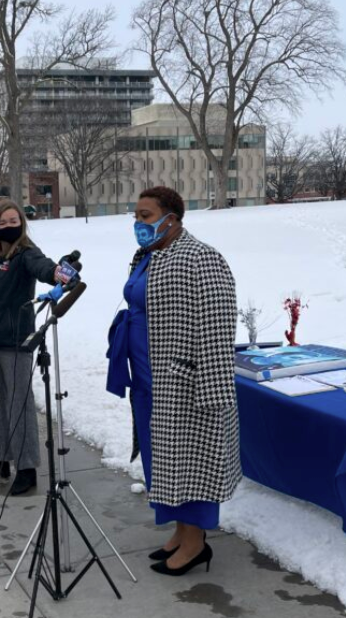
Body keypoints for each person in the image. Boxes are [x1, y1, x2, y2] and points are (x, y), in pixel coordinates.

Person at [106, 186, 240, 576]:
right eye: (136, 215)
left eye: (145, 216)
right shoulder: (148, 256)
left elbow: (217, 326)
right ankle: (181, 532)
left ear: (173, 218)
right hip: (148, 377)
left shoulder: (201, 258)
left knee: (190, 458)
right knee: (163, 459)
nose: (138, 223)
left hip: (184, 381)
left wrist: (212, 389)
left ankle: (196, 542)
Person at [0, 200, 67, 496]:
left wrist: (58, 273)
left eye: (15, 221)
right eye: (4, 222)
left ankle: (26, 468)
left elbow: (44, 267)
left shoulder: (25, 252)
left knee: (18, 403)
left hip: (14, 341)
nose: (11, 227)